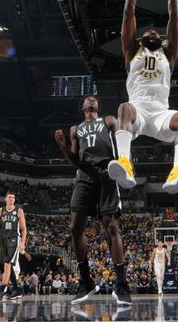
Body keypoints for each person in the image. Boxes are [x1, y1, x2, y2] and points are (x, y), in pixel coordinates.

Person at [107, 0, 178, 194]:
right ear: (141, 38)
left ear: (162, 40)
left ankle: (177, 171)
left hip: (160, 113)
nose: (152, 32)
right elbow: (129, 13)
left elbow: (174, 21)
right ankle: (125, 164)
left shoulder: (168, 54)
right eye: (147, 32)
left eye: (156, 32)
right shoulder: (131, 50)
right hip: (137, 111)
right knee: (124, 107)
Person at [55, 95, 132, 306]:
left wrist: (125, 164)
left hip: (107, 172)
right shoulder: (75, 129)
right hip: (84, 176)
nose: (91, 99)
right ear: (82, 107)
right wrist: (63, 146)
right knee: (74, 227)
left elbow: (124, 138)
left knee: (111, 226)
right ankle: (86, 281)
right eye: (88, 99)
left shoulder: (108, 121)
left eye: (94, 99)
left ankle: (122, 285)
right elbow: (75, 160)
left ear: (97, 106)